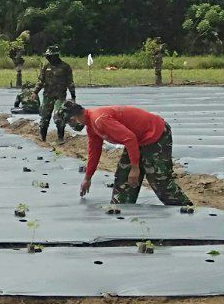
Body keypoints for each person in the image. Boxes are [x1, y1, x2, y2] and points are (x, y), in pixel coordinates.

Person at [63, 101, 192, 206]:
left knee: (158, 178)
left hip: (156, 134)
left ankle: (185, 208)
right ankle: (122, 210)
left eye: (69, 122)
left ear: (73, 118)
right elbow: (94, 151)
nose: (71, 126)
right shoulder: (91, 125)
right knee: (124, 177)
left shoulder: (99, 120)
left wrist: (135, 168)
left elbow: (129, 138)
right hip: (138, 140)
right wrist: (88, 177)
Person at [34, 46, 75, 142]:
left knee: (59, 117)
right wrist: (35, 92)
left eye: (50, 56)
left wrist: (73, 96)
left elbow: (70, 82)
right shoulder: (46, 66)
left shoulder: (65, 67)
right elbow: (40, 80)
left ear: (55, 56)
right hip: (47, 96)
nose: (48, 58)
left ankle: (60, 138)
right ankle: (42, 139)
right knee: (44, 118)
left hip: (60, 97)